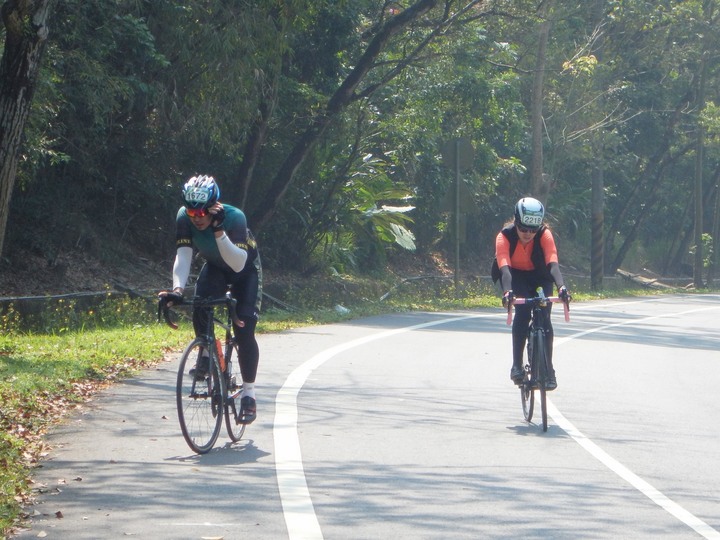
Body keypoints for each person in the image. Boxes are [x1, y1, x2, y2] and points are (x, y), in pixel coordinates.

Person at [159, 175, 262, 424]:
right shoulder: (184, 217)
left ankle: (249, 394)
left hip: (244, 271)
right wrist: (177, 289)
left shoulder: (234, 217)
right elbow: (183, 256)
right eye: (192, 213)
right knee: (201, 302)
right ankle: (205, 351)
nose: (197, 218)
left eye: (202, 213)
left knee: (244, 330)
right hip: (215, 267)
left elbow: (238, 264)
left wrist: (218, 231)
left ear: (215, 207)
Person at [493, 197, 570, 390]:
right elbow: (504, 268)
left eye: (532, 230)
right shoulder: (504, 236)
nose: (528, 234)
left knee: (544, 317)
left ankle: (549, 370)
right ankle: (517, 365)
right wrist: (508, 291)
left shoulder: (545, 235)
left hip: (540, 275)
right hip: (515, 275)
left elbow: (552, 262)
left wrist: (561, 287)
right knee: (523, 312)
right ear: (516, 223)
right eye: (523, 229)